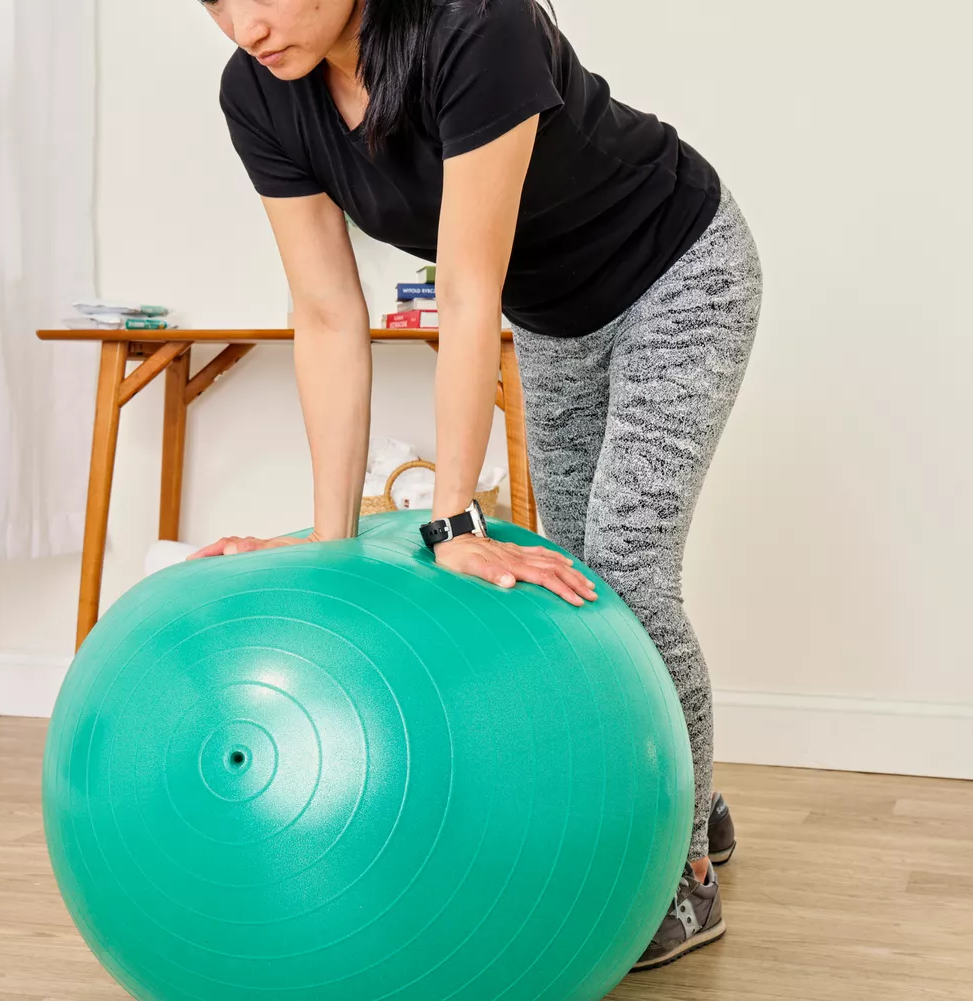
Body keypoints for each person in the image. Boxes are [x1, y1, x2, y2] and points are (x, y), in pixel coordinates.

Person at [190, 0, 761, 971]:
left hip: (677, 273)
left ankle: (686, 878)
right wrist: (331, 542)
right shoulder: (261, 93)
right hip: (556, 317)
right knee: (575, 579)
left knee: (628, 570)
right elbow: (328, 312)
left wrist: (455, 517)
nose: (246, 23)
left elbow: (465, 288)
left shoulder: (476, 25)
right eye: (214, 2)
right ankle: (683, 790)